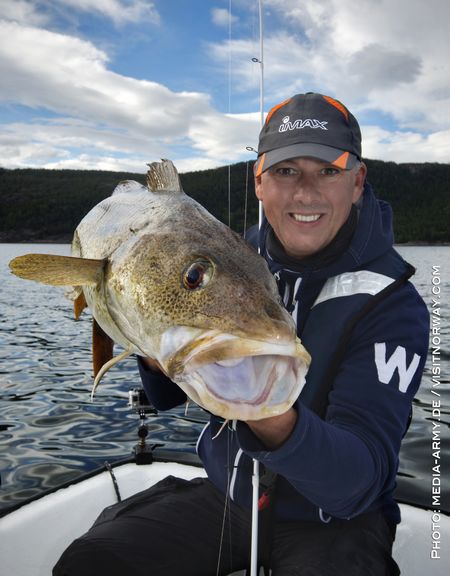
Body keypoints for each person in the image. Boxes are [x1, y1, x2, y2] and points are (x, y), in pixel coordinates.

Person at [53, 92, 429, 576]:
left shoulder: (393, 305)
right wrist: (151, 345)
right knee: (93, 563)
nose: (305, 192)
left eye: (328, 171)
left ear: (357, 182)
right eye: (285, 171)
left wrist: (267, 413)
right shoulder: (232, 252)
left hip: (336, 522)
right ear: (258, 182)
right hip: (229, 495)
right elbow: (168, 395)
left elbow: (356, 483)